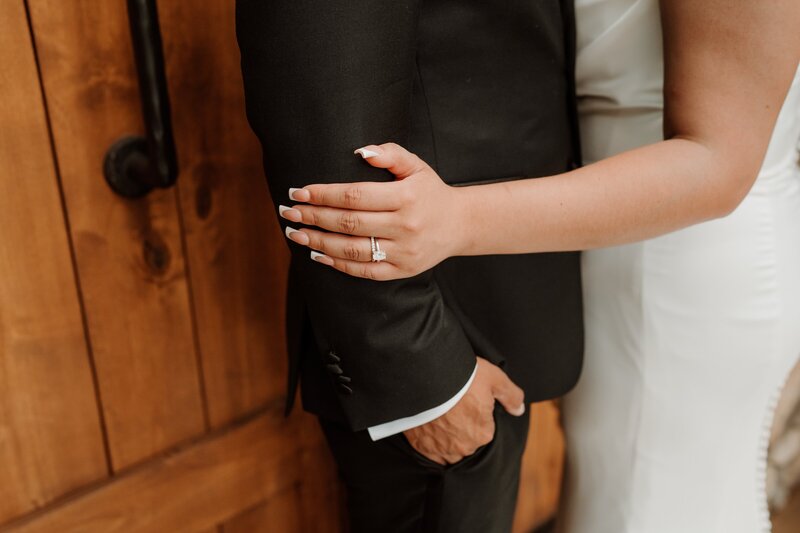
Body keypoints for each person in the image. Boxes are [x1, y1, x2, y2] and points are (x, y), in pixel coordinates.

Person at [279, 0, 800, 531]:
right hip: (587, 252)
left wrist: (456, 219)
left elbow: (720, 163)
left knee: (655, 502)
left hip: (683, 268)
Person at [235, 1, 585, 532]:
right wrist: (425, 383)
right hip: (440, 347)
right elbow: (327, 125)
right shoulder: (434, 378)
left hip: (491, 327)